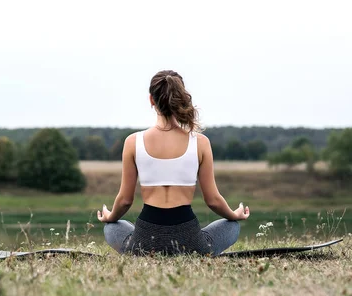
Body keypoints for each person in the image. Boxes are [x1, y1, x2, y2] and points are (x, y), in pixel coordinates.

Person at [97, 69, 250, 257]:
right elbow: (213, 200)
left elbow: (125, 200)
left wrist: (110, 217)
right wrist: (234, 215)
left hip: (145, 242)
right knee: (231, 226)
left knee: (112, 227)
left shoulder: (132, 142)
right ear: (181, 98)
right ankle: (198, 252)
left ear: (151, 100)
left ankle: (137, 251)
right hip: (190, 242)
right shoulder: (200, 142)